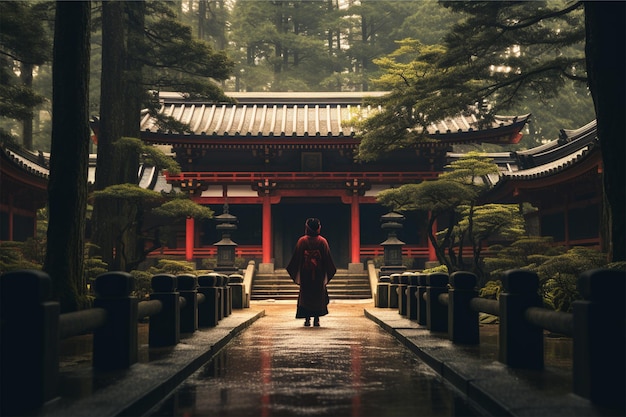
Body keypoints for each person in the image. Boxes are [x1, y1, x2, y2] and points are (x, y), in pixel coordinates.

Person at [286, 217, 337, 327]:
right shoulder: (323, 241)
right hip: (319, 272)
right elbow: (327, 258)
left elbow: (297, 257)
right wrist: (327, 270)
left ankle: (307, 318)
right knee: (318, 294)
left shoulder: (302, 241)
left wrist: (296, 269)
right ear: (318, 228)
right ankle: (317, 319)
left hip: (306, 272)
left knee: (306, 294)